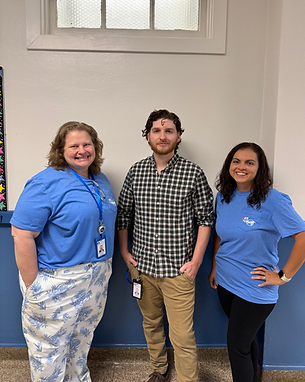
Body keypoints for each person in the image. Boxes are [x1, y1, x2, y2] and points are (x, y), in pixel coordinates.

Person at [10, 121, 117, 382]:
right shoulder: (45, 182)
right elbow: (22, 234)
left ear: (95, 147)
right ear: (61, 149)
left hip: (96, 277)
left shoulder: (99, 179)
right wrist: (33, 285)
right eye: (74, 145)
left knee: (80, 344)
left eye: (87, 144)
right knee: (48, 353)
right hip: (57, 280)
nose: (82, 150)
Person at [117, 109, 214, 382]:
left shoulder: (193, 173)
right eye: (156, 131)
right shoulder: (136, 171)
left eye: (169, 130)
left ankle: (187, 378)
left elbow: (206, 219)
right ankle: (159, 370)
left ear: (178, 136)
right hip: (142, 269)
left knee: (182, 334)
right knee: (151, 324)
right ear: (147, 136)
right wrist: (125, 252)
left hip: (179, 271)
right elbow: (124, 214)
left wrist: (195, 262)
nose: (162, 136)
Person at [208, 142, 305, 382]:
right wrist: (214, 267)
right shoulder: (224, 196)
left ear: (260, 168)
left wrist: (283, 276)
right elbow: (220, 234)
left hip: (255, 287)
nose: (241, 167)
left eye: (249, 162)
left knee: (237, 347)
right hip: (225, 281)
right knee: (247, 341)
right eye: (236, 161)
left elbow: (302, 238)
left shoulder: (274, 201)